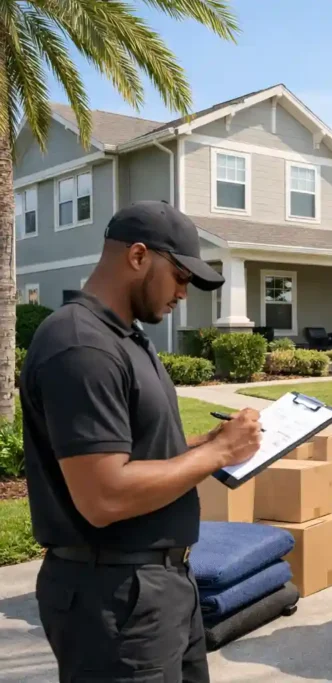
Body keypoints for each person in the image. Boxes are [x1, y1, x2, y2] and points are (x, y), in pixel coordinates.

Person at [20, 200, 264, 682]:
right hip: (113, 596)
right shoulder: (81, 345)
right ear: (137, 256)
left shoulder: (125, 338)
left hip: (159, 586)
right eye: (180, 277)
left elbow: (135, 450)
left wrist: (204, 442)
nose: (183, 293)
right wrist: (219, 453)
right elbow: (104, 495)